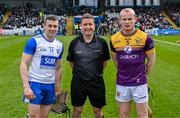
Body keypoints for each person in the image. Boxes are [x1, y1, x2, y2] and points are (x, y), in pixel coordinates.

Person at [110, 8, 155, 118]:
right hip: (122, 83)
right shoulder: (113, 39)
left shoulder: (145, 38)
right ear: (119, 21)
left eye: (130, 19)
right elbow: (116, 61)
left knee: (143, 114)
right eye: (124, 19)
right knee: (123, 114)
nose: (127, 22)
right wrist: (124, 72)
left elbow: (151, 60)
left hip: (140, 83)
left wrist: (144, 75)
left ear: (135, 19)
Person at [20, 14, 64, 118]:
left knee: (44, 116)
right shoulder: (34, 41)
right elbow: (23, 63)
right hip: (35, 83)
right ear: (44, 26)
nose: (52, 29)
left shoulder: (59, 45)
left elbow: (58, 68)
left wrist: (57, 87)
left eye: (55, 26)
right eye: (50, 26)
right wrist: (26, 87)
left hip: (50, 85)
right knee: (34, 116)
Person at [67, 13, 110, 118]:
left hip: (97, 82)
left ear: (94, 26)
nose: (87, 27)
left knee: (98, 111)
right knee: (77, 111)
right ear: (80, 26)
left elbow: (104, 63)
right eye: (85, 24)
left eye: (90, 24)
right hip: (78, 83)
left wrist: (94, 73)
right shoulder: (74, 43)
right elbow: (71, 62)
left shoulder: (102, 43)